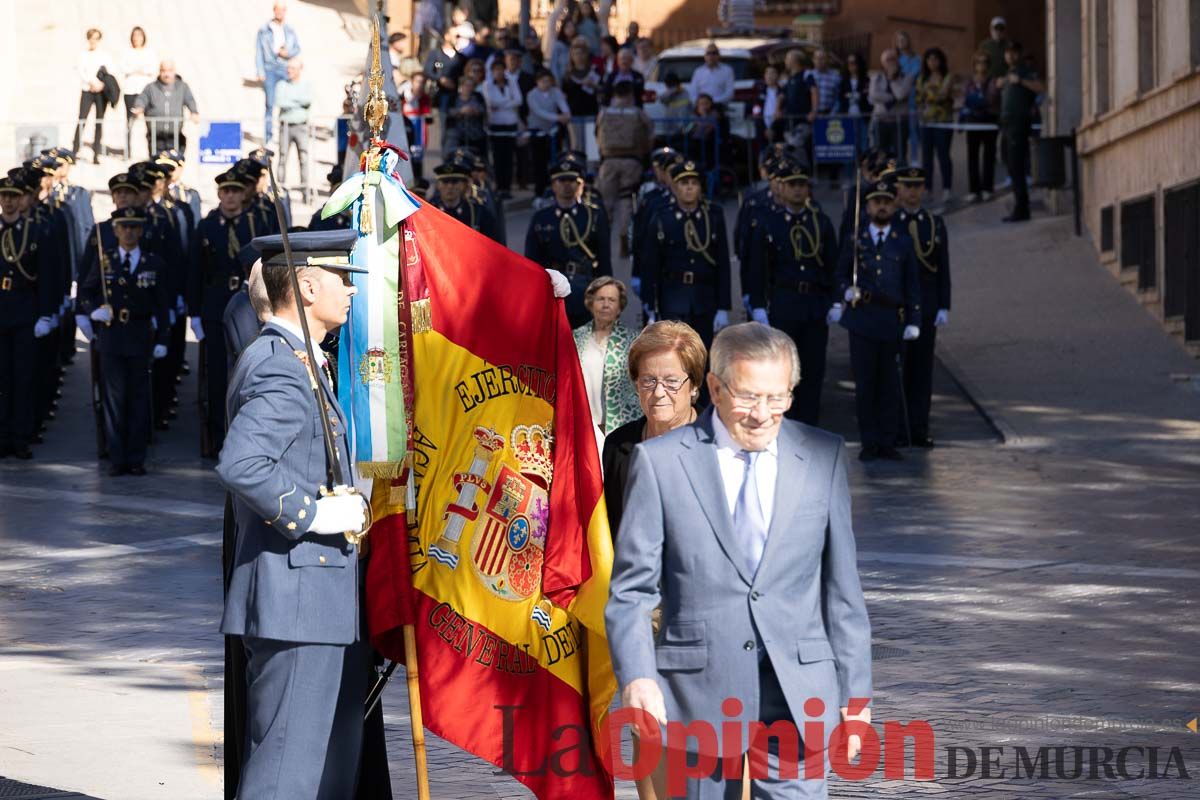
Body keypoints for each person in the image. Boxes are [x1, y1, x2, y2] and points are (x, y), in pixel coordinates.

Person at [606, 321, 873, 799]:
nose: (761, 415)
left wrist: (856, 698)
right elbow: (631, 590)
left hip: (797, 695)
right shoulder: (661, 463)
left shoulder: (822, 457)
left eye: (778, 399)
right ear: (714, 387)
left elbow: (842, 592)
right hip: (696, 695)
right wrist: (639, 676)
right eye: (748, 397)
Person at [218, 229, 371, 799]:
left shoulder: (296, 358)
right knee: (286, 771)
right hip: (297, 597)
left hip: (306, 597)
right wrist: (313, 516)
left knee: (295, 765)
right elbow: (243, 464)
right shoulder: (282, 365)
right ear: (306, 285)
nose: (351, 293)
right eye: (343, 280)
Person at [829, 177, 921, 461]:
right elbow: (839, 275)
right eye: (876, 202)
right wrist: (845, 291)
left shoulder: (902, 241)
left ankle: (887, 440)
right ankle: (869, 440)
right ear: (867, 206)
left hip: (891, 320)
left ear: (893, 205)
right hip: (862, 319)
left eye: (886, 202)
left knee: (890, 384)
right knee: (866, 384)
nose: (881, 207)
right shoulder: (855, 240)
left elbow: (912, 283)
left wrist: (914, 319)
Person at [74, 206, 169, 476]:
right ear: (115, 230)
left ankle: (136, 457)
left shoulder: (153, 263)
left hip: (140, 336)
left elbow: (162, 306)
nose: (129, 232)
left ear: (141, 230)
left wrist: (163, 338)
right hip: (112, 336)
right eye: (124, 227)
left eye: (134, 227)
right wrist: (92, 310)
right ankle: (117, 457)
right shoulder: (105, 260)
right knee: (114, 399)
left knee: (139, 398)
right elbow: (86, 290)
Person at [744, 159, 838, 426]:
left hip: (814, 303)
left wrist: (835, 301)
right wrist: (759, 304)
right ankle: (784, 425)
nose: (798, 190)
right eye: (792, 185)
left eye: (802, 185)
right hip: (784, 303)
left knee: (813, 368)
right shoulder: (769, 223)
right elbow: (758, 268)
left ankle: (809, 425)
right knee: (783, 370)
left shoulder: (820, 222)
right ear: (781, 188)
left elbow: (833, 264)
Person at [601, 320, 705, 533]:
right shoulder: (617, 445)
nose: (658, 393)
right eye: (648, 381)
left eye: (671, 382)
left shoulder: (719, 445)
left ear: (693, 385)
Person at [187, 169, 258, 457]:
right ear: (219, 195)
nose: (230, 196)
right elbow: (194, 271)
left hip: (247, 305)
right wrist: (194, 313)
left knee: (248, 371)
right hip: (215, 305)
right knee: (216, 376)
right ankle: (217, 435)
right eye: (225, 192)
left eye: (235, 191)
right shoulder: (206, 227)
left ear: (243, 194)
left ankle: (247, 434)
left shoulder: (254, 224)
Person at [638, 159, 731, 354]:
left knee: (702, 358)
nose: (689, 188)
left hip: (705, 298)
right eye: (683, 183)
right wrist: (650, 306)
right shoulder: (663, 217)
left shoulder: (713, 216)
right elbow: (651, 264)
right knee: (674, 357)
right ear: (674, 187)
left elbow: (722, 263)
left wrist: (723, 306)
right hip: (673, 297)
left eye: (694, 183)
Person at [0, 175, 58, 459]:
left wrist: (46, 314)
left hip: (25, 310)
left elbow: (46, 277)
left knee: (23, 378)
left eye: (13, 196)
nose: (9, 201)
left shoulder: (34, 232)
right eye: (4, 196)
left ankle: (20, 437)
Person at [893, 167, 950, 448]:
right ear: (899, 190)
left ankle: (919, 427)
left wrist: (944, 304)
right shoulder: (892, 223)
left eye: (917, 186)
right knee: (898, 370)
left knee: (922, 371)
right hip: (898, 307)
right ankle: (899, 428)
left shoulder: (934, 224)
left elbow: (943, 268)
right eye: (907, 186)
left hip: (926, 306)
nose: (913, 191)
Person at [525, 153, 612, 328]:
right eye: (561, 181)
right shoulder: (542, 218)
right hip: (552, 291)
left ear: (579, 184)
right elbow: (532, 260)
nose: (566, 185)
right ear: (553, 186)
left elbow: (604, 259)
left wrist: (607, 294)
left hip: (585, 290)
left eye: (571, 181)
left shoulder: (593, 216)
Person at [574, 277, 641, 438]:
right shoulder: (575, 338)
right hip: (583, 426)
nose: (606, 305)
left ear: (620, 307)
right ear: (590, 303)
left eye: (612, 300)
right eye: (600, 299)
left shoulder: (633, 340)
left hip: (620, 427)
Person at [595, 80, 652, 255]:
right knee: (627, 199)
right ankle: (624, 235)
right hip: (632, 161)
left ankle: (602, 240)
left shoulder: (603, 113)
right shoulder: (637, 113)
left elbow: (597, 135)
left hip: (608, 161)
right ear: (630, 95)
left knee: (606, 203)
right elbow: (650, 134)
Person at [998, 41, 1043, 223]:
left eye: (1013, 53)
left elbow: (1040, 87)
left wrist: (1021, 81)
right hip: (1007, 125)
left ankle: (1022, 209)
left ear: (1019, 54)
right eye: (1007, 53)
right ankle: (1020, 206)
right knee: (1011, 165)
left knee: (1017, 167)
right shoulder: (1008, 73)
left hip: (1019, 124)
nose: (1010, 56)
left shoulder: (1024, 71)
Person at [254, 1, 302, 145]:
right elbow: (258, 52)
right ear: (274, 11)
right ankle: (268, 136)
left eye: (282, 10)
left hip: (286, 67)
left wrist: (288, 53)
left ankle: (286, 133)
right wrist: (260, 70)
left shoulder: (289, 30)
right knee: (270, 104)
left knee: (287, 100)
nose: (279, 13)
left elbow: (297, 48)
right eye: (277, 10)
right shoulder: (264, 30)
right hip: (270, 68)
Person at [915, 47, 955, 207]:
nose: (932, 62)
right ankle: (927, 189)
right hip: (926, 123)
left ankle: (947, 189)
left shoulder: (948, 77)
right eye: (929, 59)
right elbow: (918, 99)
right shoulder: (922, 78)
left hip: (943, 122)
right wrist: (929, 96)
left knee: (943, 155)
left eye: (935, 59)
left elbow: (943, 95)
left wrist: (929, 95)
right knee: (926, 158)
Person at [132, 60, 199, 154]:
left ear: (174, 71)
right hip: (156, 137)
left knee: (175, 163)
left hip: (175, 136)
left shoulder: (183, 87)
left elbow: (190, 100)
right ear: (159, 71)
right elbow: (142, 99)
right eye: (163, 71)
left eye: (170, 70)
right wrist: (139, 107)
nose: (166, 74)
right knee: (157, 165)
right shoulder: (151, 87)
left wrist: (194, 112)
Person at [429, 156, 501, 242]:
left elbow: (493, 245)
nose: (450, 186)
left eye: (455, 182)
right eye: (445, 182)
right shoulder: (429, 211)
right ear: (438, 185)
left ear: (464, 185)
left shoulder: (478, 212)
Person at [961, 52, 1000, 202]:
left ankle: (987, 188)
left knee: (989, 156)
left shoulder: (993, 80)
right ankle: (973, 190)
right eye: (979, 62)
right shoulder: (969, 82)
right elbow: (966, 99)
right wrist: (976, 102)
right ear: (974, 64)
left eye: (984, 62)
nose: (981, 65)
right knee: (972, 156)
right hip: (973, 122)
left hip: (989, 121)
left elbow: (992, 98)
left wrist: (977, 101)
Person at [525, 68, 571, 196]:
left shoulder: (555, 92)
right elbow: (539, 112)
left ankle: (555, 189)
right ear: (537, 82)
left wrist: (566, 114)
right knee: (539, 162)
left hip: (552, 132)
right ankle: (539, 191)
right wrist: (558, 117)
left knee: (555, 161)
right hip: (538, 131)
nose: (546, 84)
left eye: (548, 81)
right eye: (543, 81)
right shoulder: (532, 95)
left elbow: (563, 105)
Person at [483, 58, 521, 196]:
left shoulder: (511, 82)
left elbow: (518, 100)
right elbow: (490, 103)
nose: (499, 72)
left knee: (509, 158)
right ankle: (499, 187)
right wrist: (508, 102)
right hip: (496, 125)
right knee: (498, 158)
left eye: (501, 69)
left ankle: (507, 187)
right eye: (496, 70)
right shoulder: (487, 84)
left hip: (510, 124)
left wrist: (501, 105)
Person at [73, 28, 112, 163]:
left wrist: (100, 84)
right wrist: (91, 82)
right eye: (91, 38)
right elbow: (81, 70)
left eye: (96, 38)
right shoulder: (83, 55)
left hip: (100, 92)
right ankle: (74, 151)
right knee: (82, 119)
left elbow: (108, 72)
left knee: (99, 122)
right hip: (87, 89)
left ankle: (96, 154)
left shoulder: (104, 55)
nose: (93, 41)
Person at [869, 48, 914, 163]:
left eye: (893, 59)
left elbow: (900, 95)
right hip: (880, 122)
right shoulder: (876, 77)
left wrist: (892, 79)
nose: (890, 62)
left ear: (898, 61)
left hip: (899, 123)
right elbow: (873, 96)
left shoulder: (907, 77)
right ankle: (883, 179)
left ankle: (899, 179)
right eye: (887, 60)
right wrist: (891, 97)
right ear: (882, 62)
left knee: (900, 155)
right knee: (881, 155)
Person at [274, 57, 312, 189]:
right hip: (285, 126)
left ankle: (305, 188)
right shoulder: (281, 85)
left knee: (303, 157)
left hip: (301, 125)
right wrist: (298, 103)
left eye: (292, 68)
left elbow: (307, 101)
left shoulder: (306, 84)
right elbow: (280, 102)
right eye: (288, 68)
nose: (289, 71)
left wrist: (291, 102)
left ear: (299, 70)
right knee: (283, 157)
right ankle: (280, 188)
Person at [120, 26, 157, 158]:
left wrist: (137, 69)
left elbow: (152, 69)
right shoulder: (127, 52)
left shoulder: (149, 52)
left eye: (139, 36)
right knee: (129, 122)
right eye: (135, 36)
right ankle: (128, 152)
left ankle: (151, 152)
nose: (137, 38)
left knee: (149, 122)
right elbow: (124, 68)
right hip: (130, 90)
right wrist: (139, 69)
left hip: (145, 91)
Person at [782, 49, 817, 159]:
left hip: (803, 120)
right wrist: (777, 109)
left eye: (787, 59)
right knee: (795, 151)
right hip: (789, 121)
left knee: (794, 146)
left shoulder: (806, 75)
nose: (785, 61)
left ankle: (803, 171)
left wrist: (814, 110)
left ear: (795, 61)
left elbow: (814, 91)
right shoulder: (788, 78)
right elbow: (782, 95)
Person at [894, 30, 922, 166]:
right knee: (900, 133)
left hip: (913, 99)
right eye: (899, 40)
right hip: (900, 101)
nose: (901, 43)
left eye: (903, 40)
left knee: (914, 131)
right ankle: (900, 160)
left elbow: (917, 76)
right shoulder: (895, 59)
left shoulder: (917, 59)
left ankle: (915, 159)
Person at [444, 75, 488, 155]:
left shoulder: (478, 97)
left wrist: (474, 111)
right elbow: (448, 112)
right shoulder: (454, 98)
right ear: (461, 86)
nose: (469, 88)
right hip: (457, 135)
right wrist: (460, 111)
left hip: (475, 133)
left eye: (471, 86)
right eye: (467, 85)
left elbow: (483, 110)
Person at [561, 37, 602, 119]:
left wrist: (593, 85)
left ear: (586, 54)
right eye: (576, 54)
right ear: (572, 56)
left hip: (591, 112)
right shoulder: (568, 74)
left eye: (582, 53)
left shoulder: (594, 70)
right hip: (573, 114)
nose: (579, 56)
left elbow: (602, 89)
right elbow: (563, 95)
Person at [753, 64, 784, 145]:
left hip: (778, 131)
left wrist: (773, 128)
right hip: (762, 132)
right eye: (767, 73)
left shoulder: (782, 92)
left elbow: (782, 112)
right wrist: (764, 129)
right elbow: (756, 112)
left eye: (772, 73)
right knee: (764, 155)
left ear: (778, 76)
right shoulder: (760, 93)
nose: (769, 76)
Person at [979, 16, 1012, 81]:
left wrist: (1005, 79)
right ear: (991, 29)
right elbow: (979, 63)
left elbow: (1013, 66)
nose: (998, 31)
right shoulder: (984, 45)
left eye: (1001, 29)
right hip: (987, 80)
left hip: (1004, 81)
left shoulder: (1009, 46)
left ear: (1004, 30)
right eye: (996, 28)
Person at [549, 17, 579, 83]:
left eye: (572, 26)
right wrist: (556, 80)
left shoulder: (578, 42)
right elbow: (554, 64)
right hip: (562, 78)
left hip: (577, 78)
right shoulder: (558, 45)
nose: (570, 29)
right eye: (568, 27)